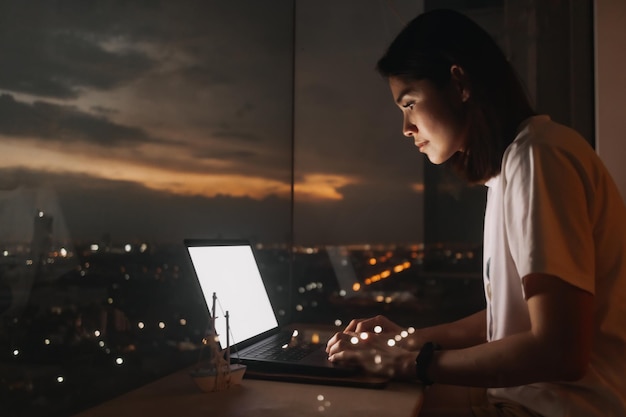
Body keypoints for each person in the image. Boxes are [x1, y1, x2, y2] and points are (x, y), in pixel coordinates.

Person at [325, 9, 626, 417]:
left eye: (410, 103)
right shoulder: (514, 166)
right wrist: (405, 341)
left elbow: (561, 350)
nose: (405, 127)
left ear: (460, 84)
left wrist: (407, 363)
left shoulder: (539, 157)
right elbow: (509, 317)